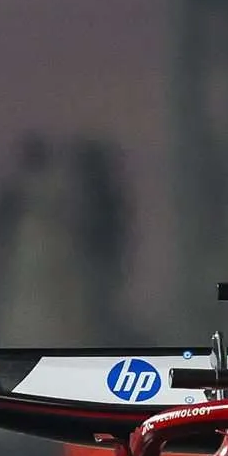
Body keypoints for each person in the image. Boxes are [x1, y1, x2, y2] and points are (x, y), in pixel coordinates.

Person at [0, 134, 83, 346]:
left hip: (41, 248)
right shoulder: (53, 185)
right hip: (35, 248)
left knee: (46, 298)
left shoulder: (31, 185)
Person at [66, 136, 132, 342]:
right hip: (91, 263)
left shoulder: (104, 198)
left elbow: (118, 230)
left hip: (100, 261)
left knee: (96, 305)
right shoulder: (82, 199)